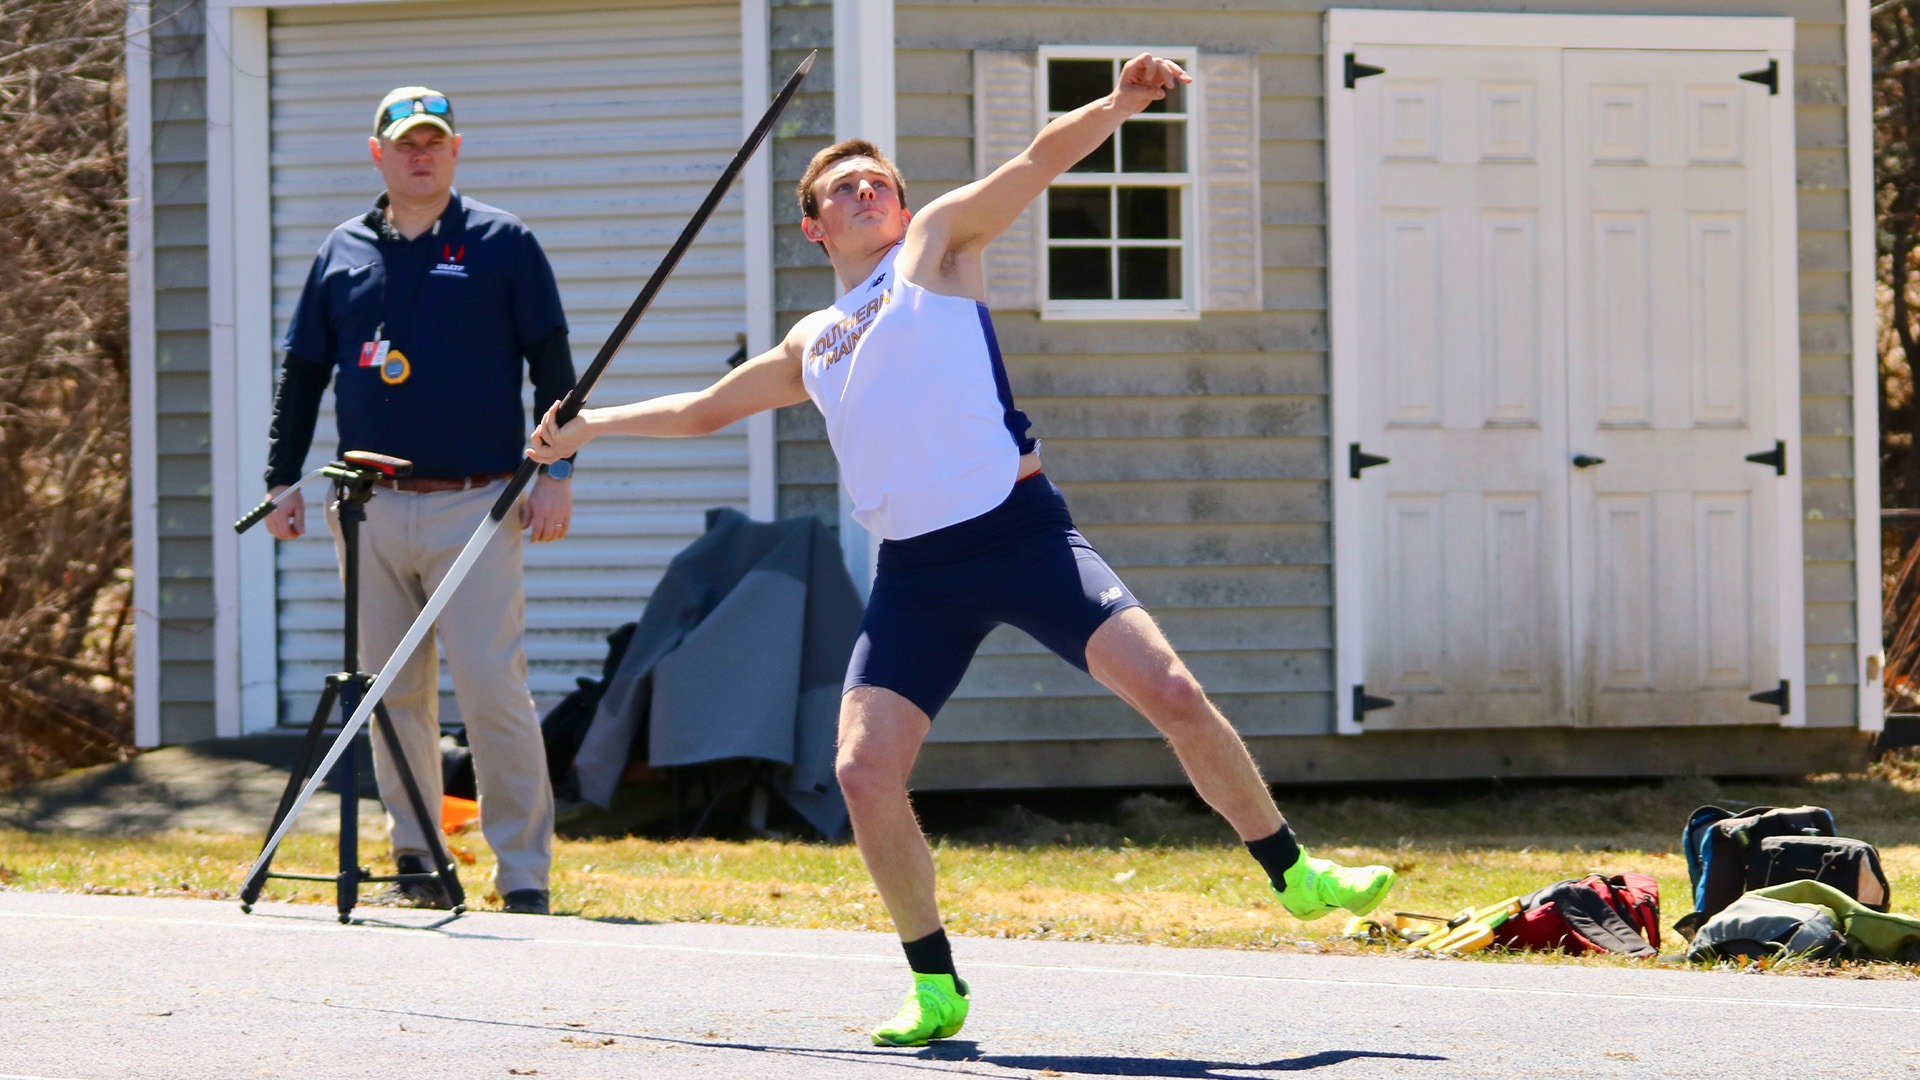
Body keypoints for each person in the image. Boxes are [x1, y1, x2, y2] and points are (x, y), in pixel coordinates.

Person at [527, 55, 1395, 1040]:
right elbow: (701, 411)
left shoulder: (934, 250)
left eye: (879, 182)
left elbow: (1034, 159)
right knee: (862, 772)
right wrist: (588, 426)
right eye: (841, 189)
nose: (867, 190)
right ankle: (935, 984)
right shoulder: (811, 340)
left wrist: (1118, 104)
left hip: (1022, 535)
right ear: (812, 227)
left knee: (1174, 694)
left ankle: (1296, 870)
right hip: (916, 577)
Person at [262, 86, 576, 916]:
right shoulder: (342, 252)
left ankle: (523, 872)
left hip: (475, 504)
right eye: (404, 143)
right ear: (378, 154)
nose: (420, 154)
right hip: (366, 507)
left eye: (434, 141)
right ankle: (417, 857)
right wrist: (278, 480)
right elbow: (302, 375)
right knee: (389, 691)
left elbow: (555, 368)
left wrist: (556, 476)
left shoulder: (503, 244)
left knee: (489, 687)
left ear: (456, 149)